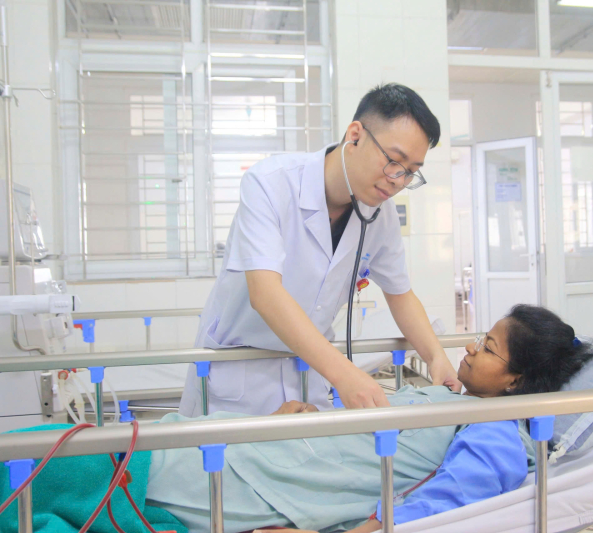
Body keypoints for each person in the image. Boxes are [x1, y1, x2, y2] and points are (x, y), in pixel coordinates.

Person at [0, 306, 593, 533]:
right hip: (247, 453)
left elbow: (442, 511)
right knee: (44, 456)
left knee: (38, 460)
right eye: (479, 338)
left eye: (488, 348)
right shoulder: (448, 398)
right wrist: (307, 416)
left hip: (248, 484)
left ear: (516, 381)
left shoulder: (498, 432)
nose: (470, 350)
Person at [179, 83, 459, 417]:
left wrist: (436, 357)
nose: (398, 180)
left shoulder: (379, 215)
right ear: (355, 135)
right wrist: (344, 374)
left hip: (308, 376)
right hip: (239, 378)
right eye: (394, 162)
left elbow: (400, 294)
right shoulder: (270, 183)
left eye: (410, 172)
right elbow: (265, 294)